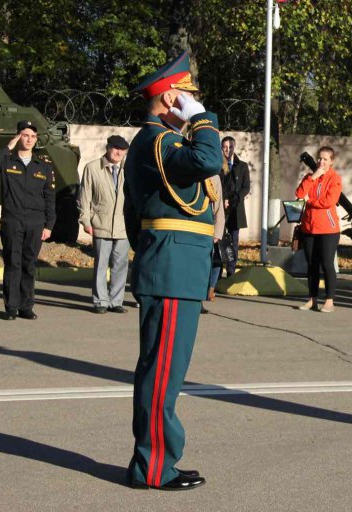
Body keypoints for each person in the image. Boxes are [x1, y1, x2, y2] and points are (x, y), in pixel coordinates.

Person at [123, 51, 222, 491]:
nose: (193, 103)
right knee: (162, 373)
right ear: (170, 98)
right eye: (187, 96)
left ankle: (156, 460)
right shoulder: (159, 141)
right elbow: (208, 161)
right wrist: (202, 119)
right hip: (171, 267)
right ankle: (153, 467)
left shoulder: (160, 143)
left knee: (164, 371)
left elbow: (134, 214)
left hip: (172, 265)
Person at [0, 120, 55, 320]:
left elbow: (49, 197)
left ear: (36, 139)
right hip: (12, 221)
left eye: (32, 136)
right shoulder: (7, 161)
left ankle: (26, 306)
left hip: (35, 222)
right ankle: (11, 307)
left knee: (29, 264)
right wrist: (8, 146)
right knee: (13, 263)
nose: (29, 139)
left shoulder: (43, 167)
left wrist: (49, 225)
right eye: (25, 135)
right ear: (18, 137)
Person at [77, 135, 131, 314]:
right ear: (108, 148)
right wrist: (85, 220)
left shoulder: (129, 169)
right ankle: (100, 301)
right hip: (100, 223)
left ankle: (116, 301)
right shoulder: (92, 168)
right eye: (116, 148)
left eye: (122, 150)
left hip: (123, 225)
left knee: (120, 265)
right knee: (101, 264)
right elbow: (84, 196)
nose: (119, 153)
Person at [294, 146, 342, 313]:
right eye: (320, 158)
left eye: (325, 159)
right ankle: (312, 299)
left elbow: (329, 201)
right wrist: (312, 177)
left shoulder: (335, 178)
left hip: (328, 229)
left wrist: (310, 201)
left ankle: (329, 300)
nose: (321, 162)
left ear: (331, 161)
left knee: (327, 264)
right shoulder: (310, 177)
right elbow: (299, 194)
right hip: (309, 227)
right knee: (312, 265)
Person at [220, 136, 250, 277]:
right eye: (225, 147)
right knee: (219, 239)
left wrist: (233, 200)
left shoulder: (242, 166)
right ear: (221, 148)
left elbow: (246, 187)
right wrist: (223, 200)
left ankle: (231, 272)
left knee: (234, 241)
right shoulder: (217, 165)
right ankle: (217, 271)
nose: (228, 150)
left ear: (234, 147)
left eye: (230, 147)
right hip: (220, 208)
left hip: (236, 209)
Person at [201, 168, 225, 315]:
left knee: (203, 268)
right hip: (188, 228)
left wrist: (218, 232)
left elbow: (218, 206)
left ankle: (198, 300)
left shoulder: (213, 177)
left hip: (206, 229)